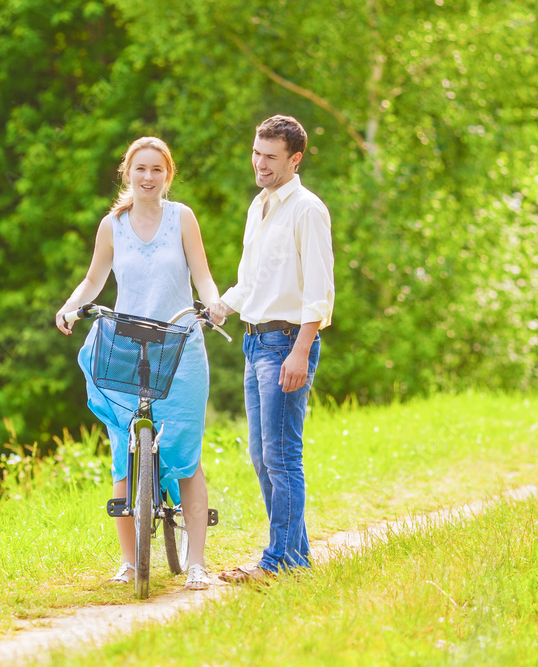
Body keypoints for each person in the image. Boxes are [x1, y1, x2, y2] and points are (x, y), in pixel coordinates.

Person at [55, 137, 223, 590]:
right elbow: (95, 278)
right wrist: (69, 307)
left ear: (168, 175)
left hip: (180, 346)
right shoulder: (112, 225)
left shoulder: (182, 218)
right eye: (140, 169)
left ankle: (198, 565)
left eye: (157, 170)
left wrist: (213, 303)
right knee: (124, 456)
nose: (148, 177)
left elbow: (203, 275)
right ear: (127, 172)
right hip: (128, 347)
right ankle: (130, 563)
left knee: (187, 456)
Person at [208, 115, 335, 583]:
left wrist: (300, 351)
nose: (260, 164)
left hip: (286, 343)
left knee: (282, 456)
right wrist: (218, 307)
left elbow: (319, 292)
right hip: (253, 340)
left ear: (294, 159)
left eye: (271, 157)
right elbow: (252, 281)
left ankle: (277, 562)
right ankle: (295, 559)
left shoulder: (307, 210)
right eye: (257, 153)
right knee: (262, 457)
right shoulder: (257, 207)